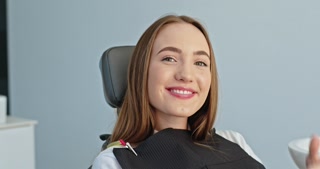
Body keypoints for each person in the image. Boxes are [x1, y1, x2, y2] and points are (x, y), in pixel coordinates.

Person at [92, 15, 320, 169]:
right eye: (169, 58)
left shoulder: (234, 141)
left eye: (200, 63)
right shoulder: (114, 162)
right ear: (141, 72)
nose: (186, 74)